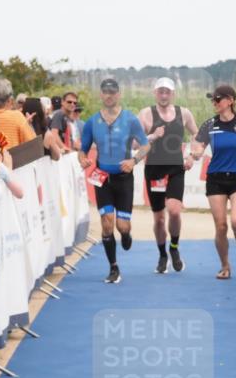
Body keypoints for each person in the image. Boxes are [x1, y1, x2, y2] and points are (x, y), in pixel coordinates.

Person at [78, 78, 150, 284]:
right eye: (105, 92)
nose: (109, 96)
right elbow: (83, 149)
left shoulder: (130, 119)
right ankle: (113, 267)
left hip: (124, 179)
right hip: (103, 179)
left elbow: (145, 145)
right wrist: (82, 159)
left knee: (122, 226)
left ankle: (126, 235)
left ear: (118, 94)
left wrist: (134, 160)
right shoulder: (92, 122)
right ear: (101, 95)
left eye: (112, 92)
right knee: (107, 223)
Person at [191, 84, 236, 279]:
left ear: (230, 100)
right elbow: (199, 147)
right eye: (212, 99)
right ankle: (225, 266)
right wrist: (195, 154)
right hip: (216, 179)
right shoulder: (209, 124)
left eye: (218, 99)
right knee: (221, 226)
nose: (214, 102)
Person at [138, 77, 199, 274]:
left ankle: (174, 247)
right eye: (160, 91)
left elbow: (197, 135)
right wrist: (152, 136)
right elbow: (134, 142)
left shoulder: (184, 113)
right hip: (154, 170)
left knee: (174, 211)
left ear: (173, 94)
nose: (164, 95)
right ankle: (162, 254)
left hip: (175, 168)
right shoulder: (146, 114)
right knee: (159, 219)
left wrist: (191, 155)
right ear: (155, 93)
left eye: (167, 92)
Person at [0, 78, 37, 148]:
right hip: (13, 155)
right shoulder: (17, 116)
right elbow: (33, 144)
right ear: (9, 100)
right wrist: (28, 124)